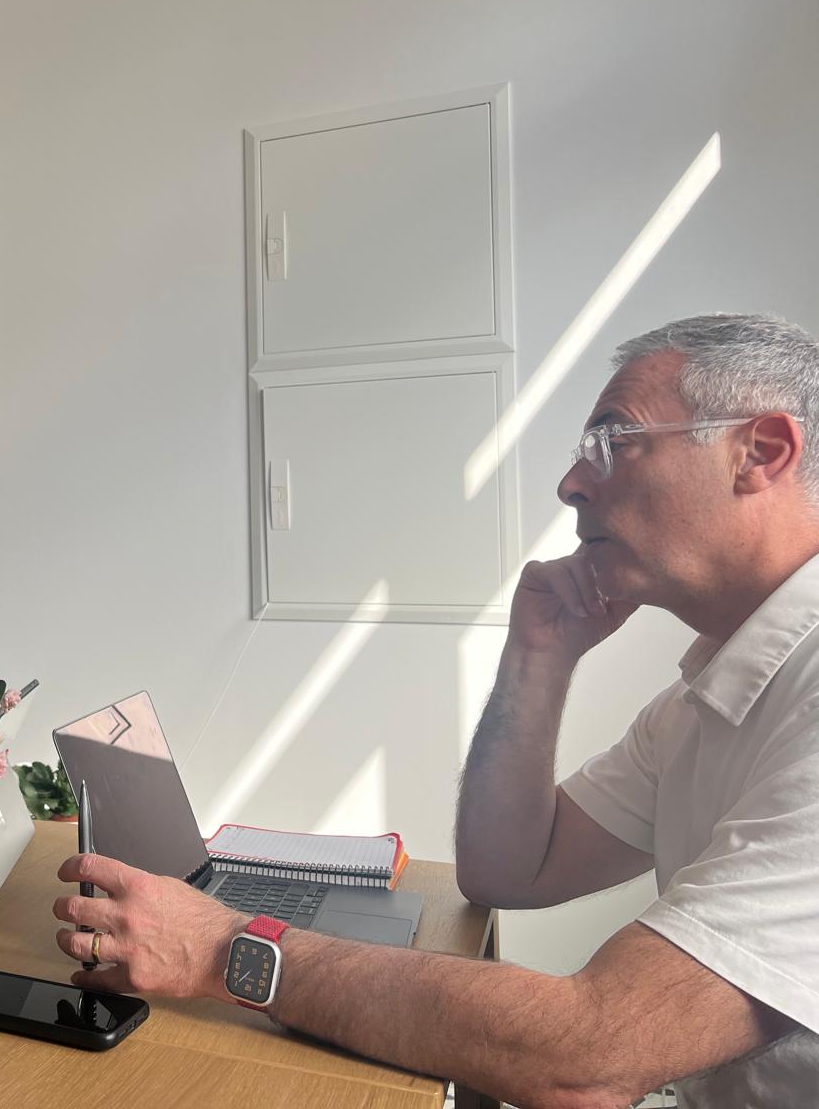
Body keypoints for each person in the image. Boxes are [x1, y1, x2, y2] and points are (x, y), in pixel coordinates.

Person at [53, 314, 819, 1108]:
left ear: (759, 452)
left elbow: (589, 1054)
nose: (571, 484)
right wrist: (537, 656)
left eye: (611, 442)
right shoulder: (704, 700)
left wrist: (221, 950)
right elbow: (508, 868)